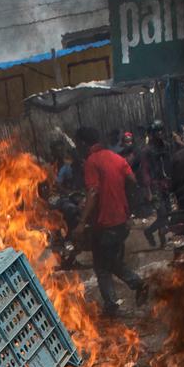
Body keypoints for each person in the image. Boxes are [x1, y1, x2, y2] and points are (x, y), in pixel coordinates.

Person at [78, 126, 146, 318]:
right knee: (109, 260)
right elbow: (132, 181)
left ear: (83, 143)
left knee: (102, 265)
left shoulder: (92, 161)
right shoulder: (116, 158)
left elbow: (93, 192)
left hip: (105, 223)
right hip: (121, 220)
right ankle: (120, 296)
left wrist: (82, 222)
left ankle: (119, 298)